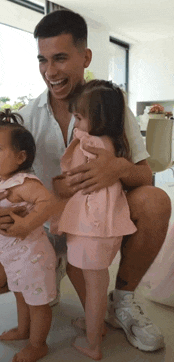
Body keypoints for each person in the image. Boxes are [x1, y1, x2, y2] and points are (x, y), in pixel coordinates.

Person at [0, 9, 171, 353]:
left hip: (90, 225)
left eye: (60, 58)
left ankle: (122, 300)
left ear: (85, 57)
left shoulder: (111, 107)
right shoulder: (25, 118)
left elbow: (145, 175)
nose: (50, 71)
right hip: (41, 226)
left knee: (156, 200)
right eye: (43, 60)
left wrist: (117, 168)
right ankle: (50, 269)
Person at [51, 79, 138, 360]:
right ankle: (94, 325)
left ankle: (93, 343)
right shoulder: (114, 143)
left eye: (78, 116)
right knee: (96, 282)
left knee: (95, 287)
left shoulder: (88, 142)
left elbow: (72, 175)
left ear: (97, 118)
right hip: (105, 224)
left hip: (92, 226)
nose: (74, 123)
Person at [0, 109, 59, 362]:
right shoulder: (0, 181)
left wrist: (26, 226)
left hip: (32, 255)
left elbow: (48, 202)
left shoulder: (24, 183)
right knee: (21, 295)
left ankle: (38, 344)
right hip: (12, 256)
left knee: (37, 303)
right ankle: (24, 330)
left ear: (21, 156)